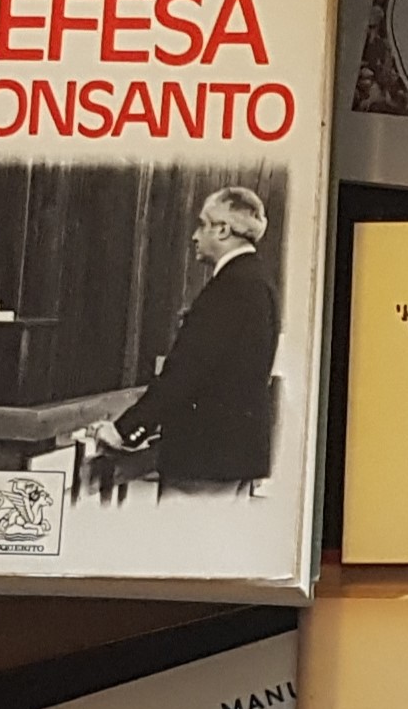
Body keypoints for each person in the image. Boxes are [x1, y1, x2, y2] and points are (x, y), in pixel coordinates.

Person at [73, 189, 280, 489]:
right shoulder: (257, 279)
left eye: (202, 225)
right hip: (232, 458)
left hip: (205, 462)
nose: (195, 236)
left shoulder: (232, 287)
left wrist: (124, 430)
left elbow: (186, 374)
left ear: (223, 230)